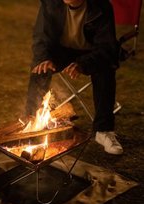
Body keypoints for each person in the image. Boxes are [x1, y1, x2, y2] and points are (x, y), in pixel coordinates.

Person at [25, 0, 123, 155]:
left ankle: (104, 131)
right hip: (62, 52)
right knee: (40, 69)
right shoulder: (51, 3)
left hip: (91, 53)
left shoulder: (101, 6)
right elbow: (40, 37)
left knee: (105, 70)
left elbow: (106, 48)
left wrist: (83, 64)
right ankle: (31, 122)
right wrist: (44, 57)